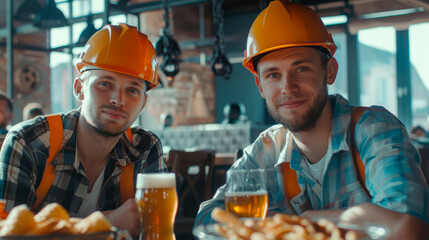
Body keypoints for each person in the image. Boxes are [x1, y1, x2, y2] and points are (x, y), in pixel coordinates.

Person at [195, 1, 429, 239]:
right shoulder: (267, 149)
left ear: (330, 71)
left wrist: (301, 222)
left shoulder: (374, 128)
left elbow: (408, 228)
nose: (287, 87)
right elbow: (207, 217)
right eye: (273, 74)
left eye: (302, 68)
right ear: (260, 86)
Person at [0, 23, 165, 238]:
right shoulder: (29, 142)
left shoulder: (145, 148)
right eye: (105, 84)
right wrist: (103, 224)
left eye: (132, 90)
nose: (118, 100)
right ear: (79, 89)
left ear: (143, 103)